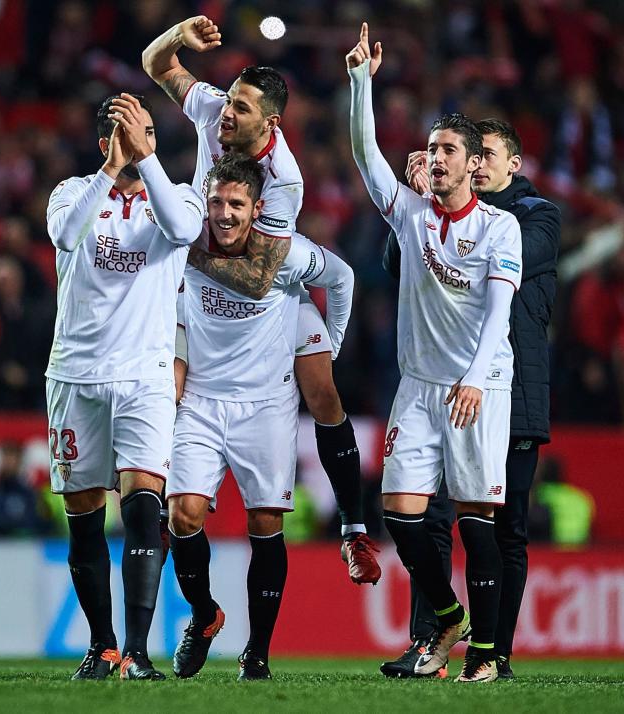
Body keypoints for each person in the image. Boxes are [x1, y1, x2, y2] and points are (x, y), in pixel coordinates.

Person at [143, 16, 380, 585]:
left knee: (322, 392)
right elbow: (156, 65)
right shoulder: (210, 110)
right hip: (214, 269)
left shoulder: (284, 180)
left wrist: (180, 242)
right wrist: (179, 35)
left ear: (269, 123)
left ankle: (353, 529)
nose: (226, 113)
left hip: (274, 284)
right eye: (228, 103)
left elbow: (254, 278)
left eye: (241, 109)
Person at [347, 24, 523, 683]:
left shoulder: (498, 227)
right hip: (419, 386)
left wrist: (476, 378)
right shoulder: (412, 216)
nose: (436, 158)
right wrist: (361, 81)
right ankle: (446, 617)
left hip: (481, 385)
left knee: (478, 523)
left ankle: (483, 657)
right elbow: (368, 161)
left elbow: (499, 310)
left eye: (447, 148)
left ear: (473, 162)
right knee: (399, 510)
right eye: (430, 148)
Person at [166, 153, 354, 680]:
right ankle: (205, 616)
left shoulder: (285, 256)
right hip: (202, 401)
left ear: (256, 209)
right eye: (217, 202)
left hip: (267, 406)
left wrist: (330, 347)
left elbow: (341, 278)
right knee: (183, 515)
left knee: (264, 524)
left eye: (236, 204)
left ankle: (259, 652)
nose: (224, 214)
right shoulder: (184, 245)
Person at [387, 119, 561, 679]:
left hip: (511, 390)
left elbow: (489, 269)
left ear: (514, 164)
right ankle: (430, 641)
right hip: (443, 381)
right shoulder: (440, 212)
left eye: (488, 155)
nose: (478, 164)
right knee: (429, 517)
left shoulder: (533, 217)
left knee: (503, 525)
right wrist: (423, 211)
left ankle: (495, 652)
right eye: (473, 154)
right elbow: (400, 265)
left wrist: (443, 210)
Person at [45, 93, 203, 681]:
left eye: (143, 131)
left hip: (145, 376)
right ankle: (102, 644)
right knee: (85, 515)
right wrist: (112, 168)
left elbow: (186, 228)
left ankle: (137, 650)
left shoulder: (177, 198)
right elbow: (64, 235)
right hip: (75, 376)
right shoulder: (71, 192)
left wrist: (148, 159)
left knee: (143, 505)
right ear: (101, 143)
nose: (134, 141)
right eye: (122, 133)